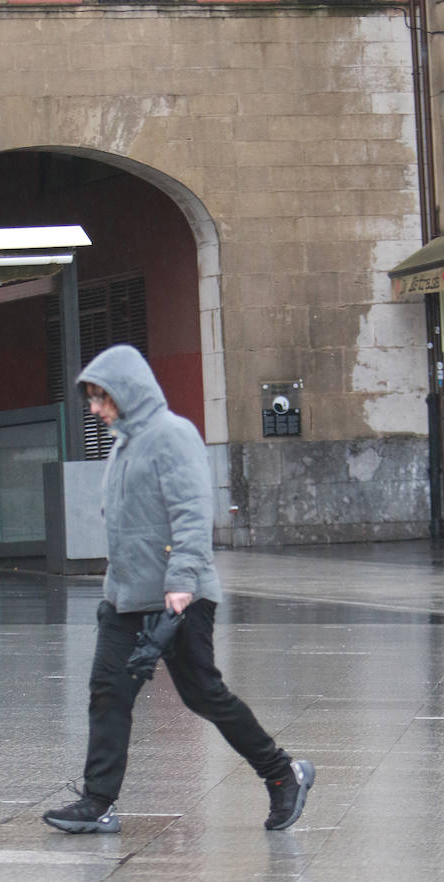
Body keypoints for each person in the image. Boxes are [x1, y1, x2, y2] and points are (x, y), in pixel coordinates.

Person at [42, 343, 314, 836]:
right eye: (93, 400)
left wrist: (182, 584)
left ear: (127, 392)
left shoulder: (172, 435)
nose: (96, 409)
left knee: (203, 695)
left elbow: (192, 512)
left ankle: (281, 772)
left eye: (102, 398)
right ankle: (97, 801)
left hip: (177, 598)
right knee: (108, 692)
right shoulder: (124, 443)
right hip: (125, 599)